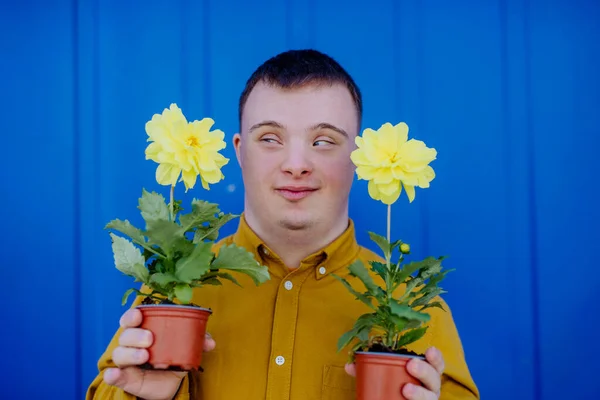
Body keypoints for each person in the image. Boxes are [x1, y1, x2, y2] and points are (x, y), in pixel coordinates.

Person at [86, 49, 479, 400]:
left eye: (323, 141)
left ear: (358, 156)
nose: (295, 164)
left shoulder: (415, 307)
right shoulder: (170, 294)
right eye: (270, 138)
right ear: (240, 152)